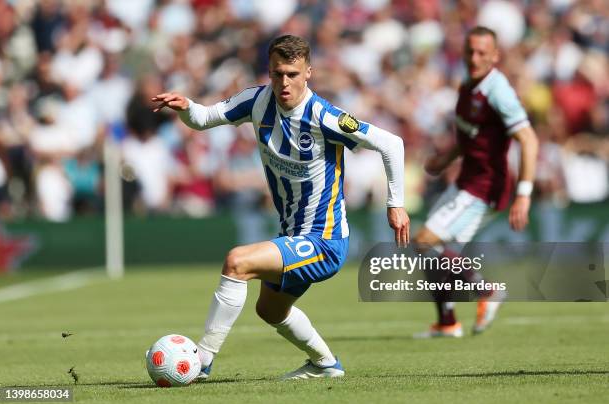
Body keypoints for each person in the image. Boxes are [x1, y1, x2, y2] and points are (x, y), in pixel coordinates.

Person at [153, 35, 410, 379]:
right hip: (292, 232)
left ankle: (203, 361)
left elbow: (391, 143)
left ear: (308, 73)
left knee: (237, 261)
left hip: (325, 240)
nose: (284, 82)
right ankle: (325, 365)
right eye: (277, 74)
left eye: (292, 74)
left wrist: (396, 204)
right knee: (270, 310)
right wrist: (186, 107)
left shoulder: (325, 116)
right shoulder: (257, 101)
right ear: (269, 72)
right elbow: (204, 117)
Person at [414, 26, 538, 338]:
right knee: (437, 254)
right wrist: (445, 158)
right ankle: (447, 322)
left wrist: (524, 195)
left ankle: (486, 291)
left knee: (425, 242)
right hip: (466, 180)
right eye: (470, 51)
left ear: (495, 56)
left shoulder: (499, 91)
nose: (474, 57)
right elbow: (472, 134)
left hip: (484, 186)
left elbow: (529, 139)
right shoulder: (469, 84)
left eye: (482, 52)